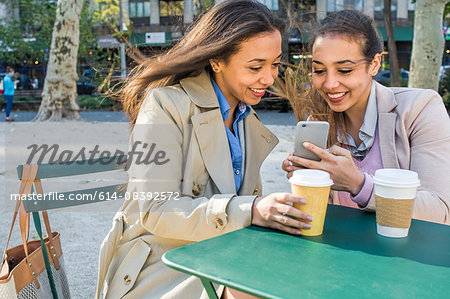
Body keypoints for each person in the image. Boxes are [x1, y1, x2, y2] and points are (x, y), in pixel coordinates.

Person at [96, 1, 313, 298]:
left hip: (223, 255)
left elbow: (239, 204)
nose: (269, 78)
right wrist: (253, 210)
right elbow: (157, 210)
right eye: (255, 66)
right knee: (259, 288)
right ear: (217, 61)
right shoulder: (165, 105)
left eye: (275, 64)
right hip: (163, 265)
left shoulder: (246, 116)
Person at [281, 10, 450, 225]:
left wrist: (359, 185)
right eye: (319, 70)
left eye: (344, 70)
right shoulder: (318, 121)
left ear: (375, 64)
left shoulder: (419, 109)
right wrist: (307, 181)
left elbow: (439, 210)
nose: (329, 84)